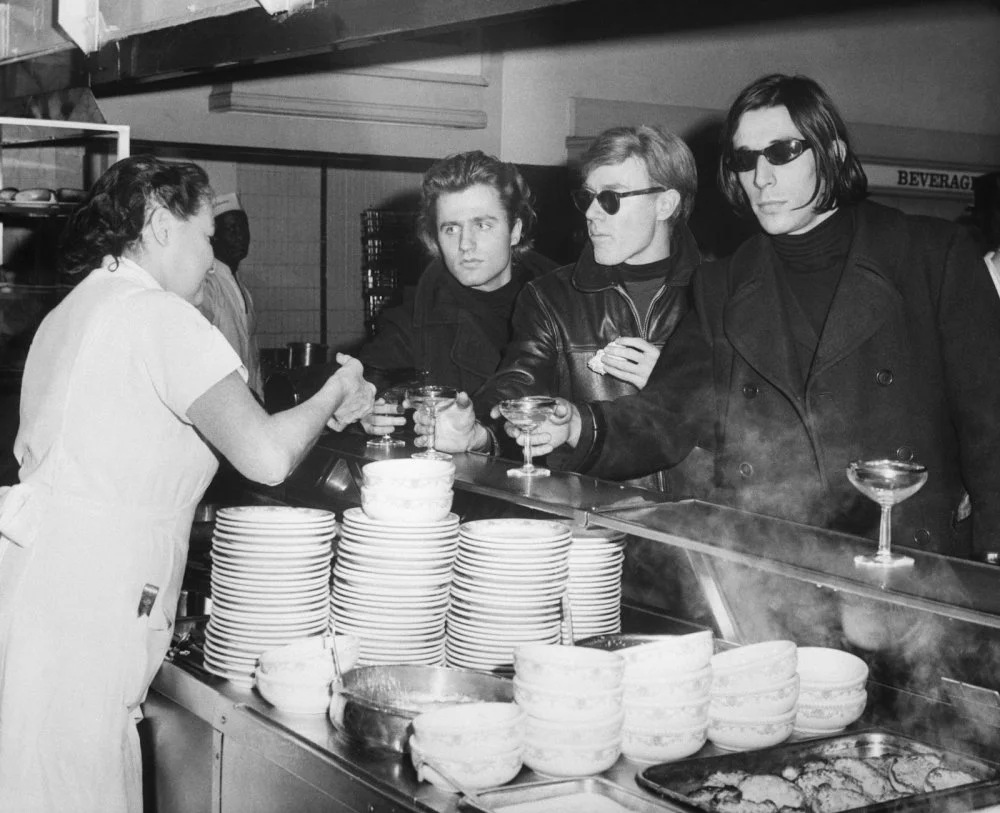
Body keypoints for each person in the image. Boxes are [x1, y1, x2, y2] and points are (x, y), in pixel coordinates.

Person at [0, 155, 374, 813]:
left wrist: (309, 410)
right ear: (158, 222)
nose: (213, 258)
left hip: (40, 593)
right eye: (205, 235)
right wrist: (335, 390)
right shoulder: (159, 316)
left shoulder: (77, 308)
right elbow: (265, 456)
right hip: (90, 608)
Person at [526, 73, 1000, 557]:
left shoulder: (931, 256)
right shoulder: (725, 284)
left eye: (783, 152)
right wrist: (575, 426)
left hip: (906, 558)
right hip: (780, 566)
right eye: (745, 159)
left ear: (832, 154)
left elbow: (992, 428)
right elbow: (668, 415)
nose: (762, 177)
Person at [421, 125, 707, 495]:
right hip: (593, 526)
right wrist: (478, 431)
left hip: (705, 530)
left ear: (665, 204)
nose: (591, 213)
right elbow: (518, 382)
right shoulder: (552, 296)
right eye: (587, 198)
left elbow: (758, 427)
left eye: (611, 199)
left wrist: (673, 383)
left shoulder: (719, 294)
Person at [356, 150, 556, 438]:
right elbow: (370, 382)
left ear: (515, 231)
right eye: (451, 229)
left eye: (482, 225)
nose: (465, 244)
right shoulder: (416, 313)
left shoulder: (563, 302)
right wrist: (366, 413)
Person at [200, 191, 263, 398]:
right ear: (214, 236)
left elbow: (253, 360)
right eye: (231, 229)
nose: (241, 236)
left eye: (244, 228)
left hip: (248, 405)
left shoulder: (243, 291)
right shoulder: (207, 286)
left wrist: (259, 400)